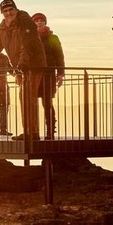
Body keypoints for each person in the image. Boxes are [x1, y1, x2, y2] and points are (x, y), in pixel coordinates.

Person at [0, 0, 48, 141]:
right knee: (25, 97)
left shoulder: (25, 21)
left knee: (27, 97)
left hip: (33, 66)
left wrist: (23, 63)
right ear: (2, 13)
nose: (8, 13)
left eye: (11, 10)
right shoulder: (2, 27)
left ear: (15, 9)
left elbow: (26, 45)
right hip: (20, 68)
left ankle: (31, 133)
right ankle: (30, 131)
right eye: (5, 11)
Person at [32, 12, 65, 140]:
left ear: (45, 22)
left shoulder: (53, 38)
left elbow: (59, 56)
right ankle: (33, 132)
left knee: (47, 103)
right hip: (34, 75)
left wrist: (60, 74)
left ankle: (50, 131)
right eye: (36, 21)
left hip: (49, 75)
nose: (39, 22)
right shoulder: (31, 38)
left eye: (41, 20)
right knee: (31, 104)